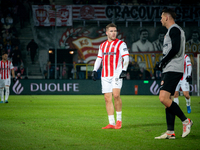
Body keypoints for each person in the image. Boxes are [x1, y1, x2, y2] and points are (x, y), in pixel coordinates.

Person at [155, 8, 193, 139]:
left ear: (166, 17)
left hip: (173, 68)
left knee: (163, 98)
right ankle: (170, 131)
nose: (160, 20)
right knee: (168, 100)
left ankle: (186, 121)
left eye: (161, 17)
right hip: (170, 68)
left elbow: (176, 48)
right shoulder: (173, 30)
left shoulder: (174, 29)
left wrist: (163, 61)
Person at [92, 23, 129, 129]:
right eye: (111, 31)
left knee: (116, 95)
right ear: (107, 32)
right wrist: (95, 70)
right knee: (107, 98)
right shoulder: (102, 45)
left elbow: (126, 57)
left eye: (115, 31)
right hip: (105, 75)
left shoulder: (121, 44)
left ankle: (119, 121)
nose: (114, 33)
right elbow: (99, 58)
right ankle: (111, 122)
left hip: (116, 74)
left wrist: (124, 70)